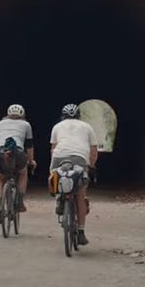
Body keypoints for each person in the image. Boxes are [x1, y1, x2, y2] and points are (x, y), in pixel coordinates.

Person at [49, 103, 98, 245]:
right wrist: (91, 165)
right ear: (79, 116)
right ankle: (81, 231)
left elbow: (53, 148)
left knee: (54, 175)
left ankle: (59, 199)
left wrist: (55, 164)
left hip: (59, 156)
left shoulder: (57, 126)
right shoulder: (87, 127)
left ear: (62, 116)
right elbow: (93, 150)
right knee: (81, 195)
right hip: (79, 158)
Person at [0, 103, 36, 224]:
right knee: (23, 173)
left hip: (0, 151)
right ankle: (20, 201)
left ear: (8, 114)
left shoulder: (0, 123)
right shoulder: (26, 125)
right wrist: (31, 161)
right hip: (18, 152)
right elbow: (29, 146)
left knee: (0, 181)